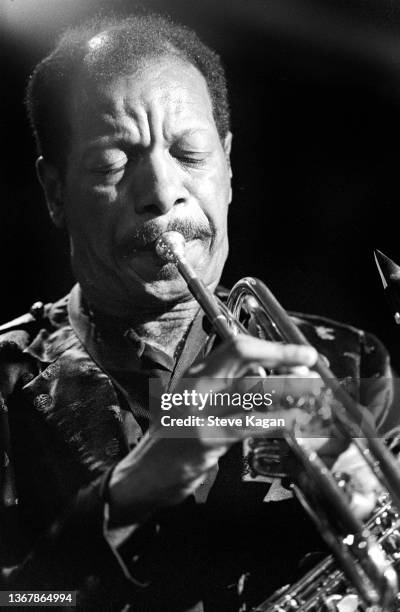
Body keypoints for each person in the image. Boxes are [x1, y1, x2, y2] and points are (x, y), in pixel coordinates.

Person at [0, 12, 393, 612]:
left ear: (229, 169)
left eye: (190, 154)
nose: (162, 190)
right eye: (112, 165)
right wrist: (131, 490)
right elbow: (24, 599)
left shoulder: (346, 364)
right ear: (55, 193)